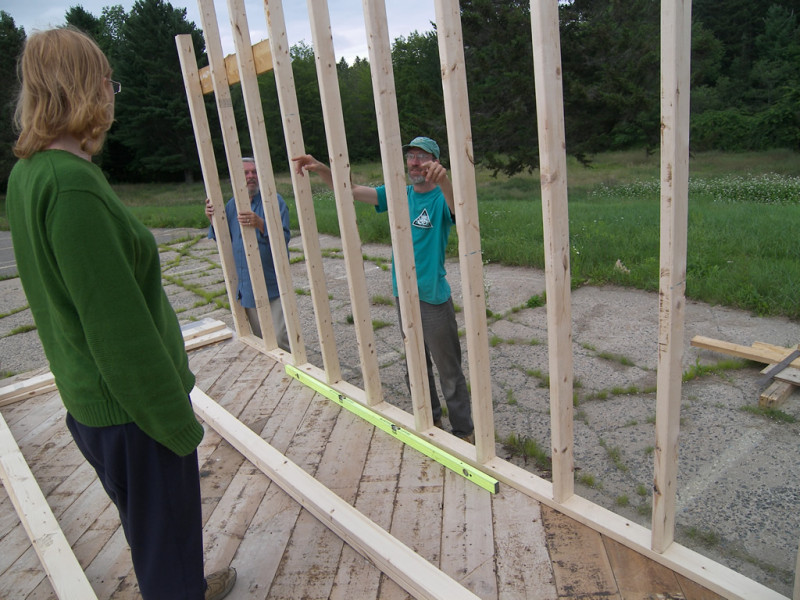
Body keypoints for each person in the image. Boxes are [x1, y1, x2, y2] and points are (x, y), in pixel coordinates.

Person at [6, 28, 235, 600]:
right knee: (165, 540)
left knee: (158, 534)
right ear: (86, 87)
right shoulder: (70, 186)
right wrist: (172, 422)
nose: (113, 93)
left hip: (97, 404)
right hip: (134, 412)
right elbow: (118, 332)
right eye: (109, 81)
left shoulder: (30, 174)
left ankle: (186, 584)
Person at [293, 137, 474, 442]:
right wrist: (322, 169)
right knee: (414, 366)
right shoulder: (398, 196)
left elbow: (462, 213)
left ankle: (464, 433)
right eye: (410, 157)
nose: (414, 162)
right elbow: (349, 191)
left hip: (432, 298)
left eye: (422, 157)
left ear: (435, 162)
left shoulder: (442, 198)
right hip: (401, 295)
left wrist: (446, 182)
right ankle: (431, 424)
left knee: (449, 371)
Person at [205, 158, 291, 351]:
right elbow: (225, 242)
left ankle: (293, 374)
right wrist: (213, 220)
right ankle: (275, 374)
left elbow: (284, 237)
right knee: (262, 339)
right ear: (236, 179)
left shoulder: (274, 201)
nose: (251, 177)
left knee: (280, 337)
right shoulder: (230, 206)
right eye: (245, 173)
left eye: (253, 172)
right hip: (247, 286)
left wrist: (260, 223)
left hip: (273, 283)